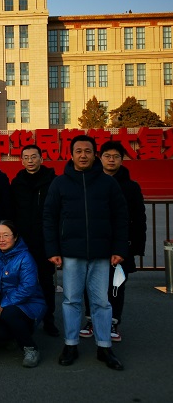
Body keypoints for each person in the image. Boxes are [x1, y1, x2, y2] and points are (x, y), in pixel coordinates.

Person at [44, 134, 128, 371]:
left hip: (102, 254)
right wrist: (53, 249)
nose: (83, 155)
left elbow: (121, 217)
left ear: (95, 155)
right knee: (71, 300)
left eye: (88, 151)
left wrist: (119, 248)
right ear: (71, 155)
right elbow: (49, 217)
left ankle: (104, 346)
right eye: (78, 151)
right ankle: (70, 344)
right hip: (71, 254)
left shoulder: (108, 183)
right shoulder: (60, 183)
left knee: (102, 302)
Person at [79, 140, 146, 342]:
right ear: (100, 158)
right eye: (107, 156)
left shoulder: (131, 187)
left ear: (122, 160)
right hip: (94, 243)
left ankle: (113, 322)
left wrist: (136, 247)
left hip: (121, 245)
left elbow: (139, 218)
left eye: (116, 156)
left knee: (116, 285)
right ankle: (91, 320)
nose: (111, 160)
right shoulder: (90, 182)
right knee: (90, 284)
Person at [9, 144, 59, 337]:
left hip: (45, 241)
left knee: (46, 282)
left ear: (41, 159)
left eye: (34, 157)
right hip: (22, 243)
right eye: (26, 157)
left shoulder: (53, 181)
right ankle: (24, 319)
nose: (30, 160)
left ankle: (49, 320)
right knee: (21, 282)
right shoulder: (17, 183)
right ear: (21, 161)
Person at [0, 220, 47, 368]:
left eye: (6, 235)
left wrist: (3, 303)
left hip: (29, 302)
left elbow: (28, 287)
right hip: (3, 303)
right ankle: (14, 335)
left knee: (9, 313)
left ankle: (31, 349)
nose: (1, 239)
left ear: (15, 236)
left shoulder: (25, 257)